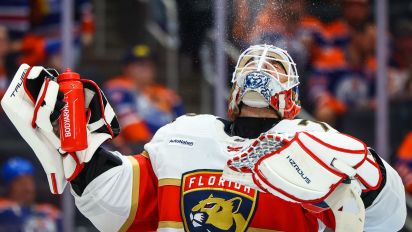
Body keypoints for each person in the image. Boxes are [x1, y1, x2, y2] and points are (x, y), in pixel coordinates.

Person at [1, 44, 406, 231]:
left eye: (278, 72)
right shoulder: (185, 135)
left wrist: (371, 173)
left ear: (294, 100)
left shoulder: (321, 149)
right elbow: (116, 206)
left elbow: (389, 221)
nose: (262, 72)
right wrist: (81, 150)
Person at [105, 44, 184, 152]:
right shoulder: (117, 88)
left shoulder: (166, 93)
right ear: (127, 68)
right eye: (140, 65)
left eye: (150, 65)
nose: (146, 69)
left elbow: (182, 121)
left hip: (167, 147)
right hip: (134, 150)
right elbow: (131, 127)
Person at [0, 157, 62, 231]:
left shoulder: (49, 213)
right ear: (9, 186)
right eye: (20, 182)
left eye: (29, 181)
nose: (27, 187)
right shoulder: (3, 209)